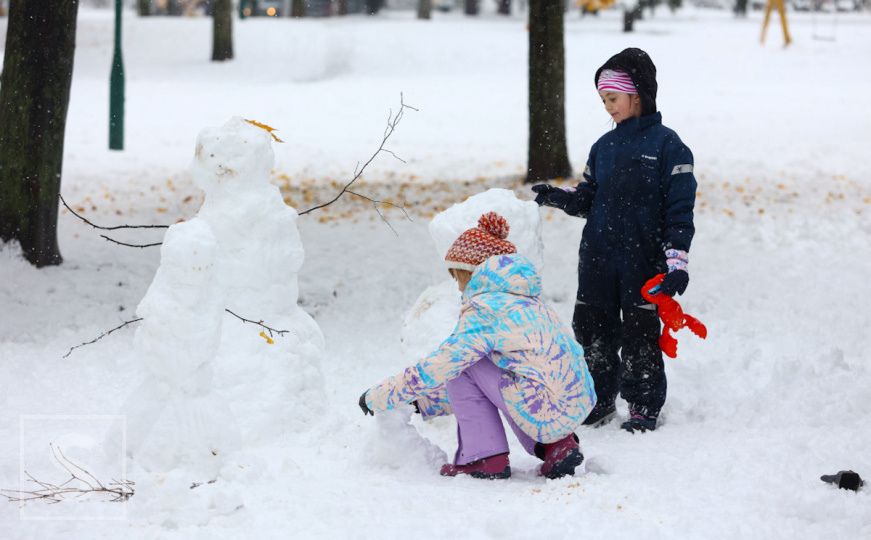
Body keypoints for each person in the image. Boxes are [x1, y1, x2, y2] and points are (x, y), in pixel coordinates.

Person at [531, 48, 697, 434]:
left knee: (641, 334)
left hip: (644, 260)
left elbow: (679, 211)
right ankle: (597, 399)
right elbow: (588, 197)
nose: (608, 108)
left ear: (637, 95)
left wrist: (677, 263)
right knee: (592, 330)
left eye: (613, 99)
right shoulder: (602, 148)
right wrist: (559, 197)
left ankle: (642, 404)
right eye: (604, 100)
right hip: (598, 258)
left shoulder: (669, 148)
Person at [358, 212, 597, 480]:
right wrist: (423, 402)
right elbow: (490, 384)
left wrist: (383, 394)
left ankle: (484, 457)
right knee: (506, 371)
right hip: (573, 401)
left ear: (471, 272)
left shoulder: (485, 309)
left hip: (542, 408)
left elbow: (445, 365)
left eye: (457, 276)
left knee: (463, 365)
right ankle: (558, 446)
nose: (458, 286)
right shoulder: (528, 301)